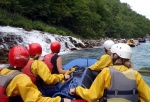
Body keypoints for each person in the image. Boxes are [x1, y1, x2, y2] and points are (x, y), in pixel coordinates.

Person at [70, 43, 150, 102]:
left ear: (115, 56)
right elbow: (147, 97)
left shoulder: (106, 72)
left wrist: (77, 90)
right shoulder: (135, 74)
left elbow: (92, 96)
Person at [0, 46, 71, 102]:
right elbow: (49, 80)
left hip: (18, 96)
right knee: (59, 89)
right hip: (34, 93)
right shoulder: (23, 77)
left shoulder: (2, 71)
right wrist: (60, 100)